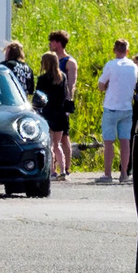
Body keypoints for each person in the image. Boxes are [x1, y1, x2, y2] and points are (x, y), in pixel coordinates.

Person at [97, 40, 138, 183]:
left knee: (109, 142)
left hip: (111, 107)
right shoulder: (133, 66)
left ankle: (108, 174)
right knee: (125, 141)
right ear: (127, 51)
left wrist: (108, 84)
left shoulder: (111, 65)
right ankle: (124, 174)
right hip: (127, 107)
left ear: (114, 50)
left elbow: (101, 85)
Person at [40, 31, 78, 181]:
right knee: (56, 141)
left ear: (58, 43)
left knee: (64, 138)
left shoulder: (69, 62)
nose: (50, 44)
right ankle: (54, 167)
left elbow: (71, 84)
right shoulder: (52, 62)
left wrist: (68, 103)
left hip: (61, 104)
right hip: (55, 105)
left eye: (52, 41)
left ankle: (66, 167)